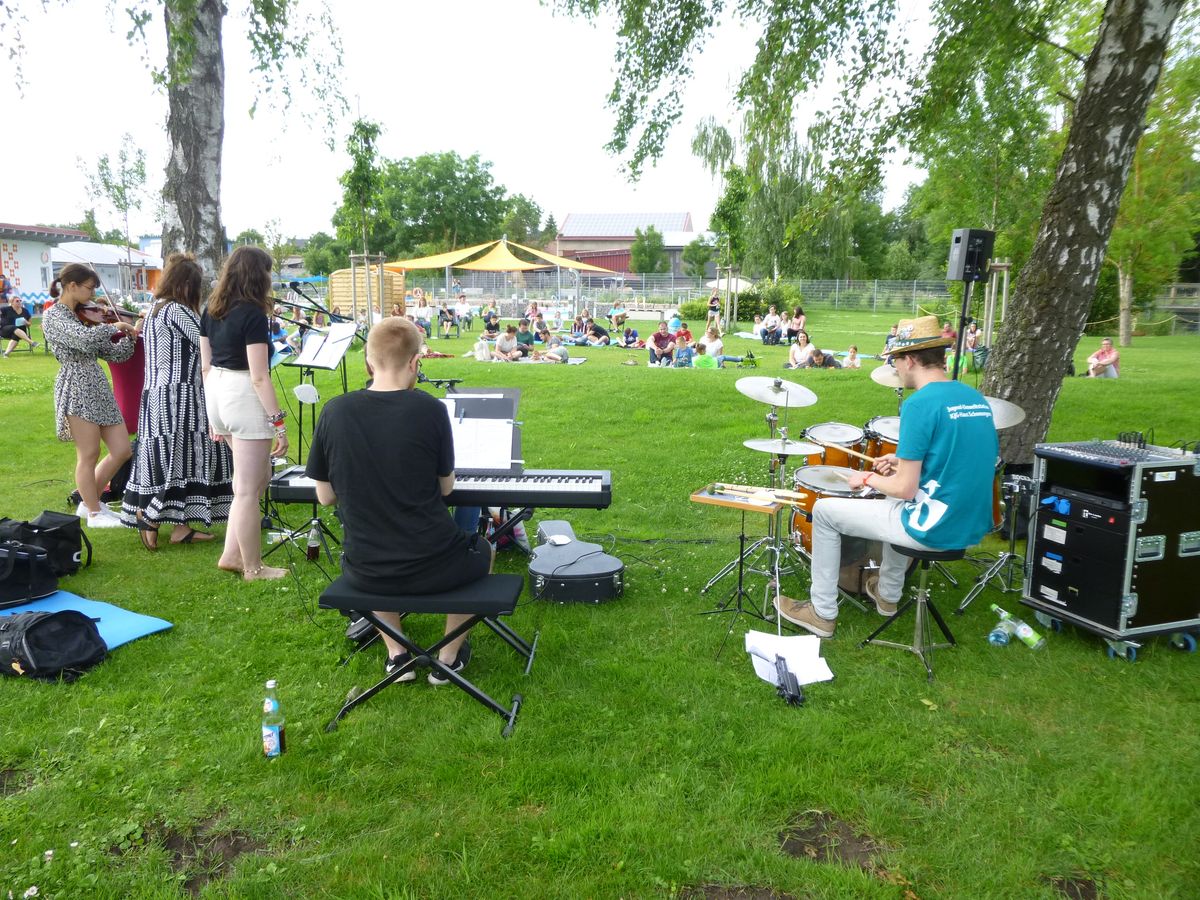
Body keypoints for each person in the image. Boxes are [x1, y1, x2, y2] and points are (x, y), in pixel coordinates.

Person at [775, 315, 999, 637]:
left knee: (825, 512)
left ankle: (821, 613)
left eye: (896, 361)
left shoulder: (921, 403)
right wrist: (900, 460)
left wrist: (866, 479)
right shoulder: (974, 398)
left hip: (934, 527)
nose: (896, 369)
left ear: (909, 359)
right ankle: (887, 596)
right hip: (969, 523)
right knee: (892, 497)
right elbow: (957, 458)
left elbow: (906, 488)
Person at [306, 316, 493, 680]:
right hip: (437, 565)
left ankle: (397, 653)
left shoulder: (334, 411)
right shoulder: (430, 409)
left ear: (367, 364)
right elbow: (446, 490)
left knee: (367, 548)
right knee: (485, 548)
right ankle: (448, 658)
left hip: (366, 570)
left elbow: (325, 497)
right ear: (414, 363)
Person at [121, 253, 234, 549]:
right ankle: (152, 516)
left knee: (174, 457)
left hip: (157, 395)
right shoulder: (177, 311)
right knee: (177, 459)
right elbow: (207, 341)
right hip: (180, 395)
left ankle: (180, 527)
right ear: (187, 285)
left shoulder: (156, 309)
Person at [199, 245, 290, 581]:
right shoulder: (252, 314)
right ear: (258, 275)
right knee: (249, 489)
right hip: (241, 394)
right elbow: (259, 375)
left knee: (251, 480)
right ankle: (253, 566)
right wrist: (278, 423)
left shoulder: (211, 308)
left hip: (218, 394)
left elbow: (206, 367)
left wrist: (213, 415)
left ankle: (231, 554)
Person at [41, 263, 139, 528]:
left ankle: (89, 503)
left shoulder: (81, 315)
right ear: (72, 286)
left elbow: (115, 354)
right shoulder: (54, 316)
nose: (94, 294)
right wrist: (113, 325)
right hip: (76, 385)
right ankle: (95, 514)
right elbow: (84, 341)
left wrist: (129, 336)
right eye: (90, 288)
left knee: (121, 449)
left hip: (97, 383)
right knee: (89, 453)